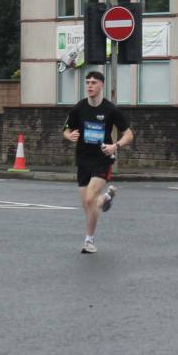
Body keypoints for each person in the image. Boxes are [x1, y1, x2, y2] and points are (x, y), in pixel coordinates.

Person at [62, 70, 132, 254]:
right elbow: (66, 130)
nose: (89, 86)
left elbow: (129, 135)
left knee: (90, 198)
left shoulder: (111, 109)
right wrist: (70, 136)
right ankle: (106, 198)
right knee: (88, 204)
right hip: (83, 159)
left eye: (93, 83)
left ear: (101, 85)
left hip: (102, 159)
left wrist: (115, 146)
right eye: (87, 83)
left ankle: (89, 240)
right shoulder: (79, 108)